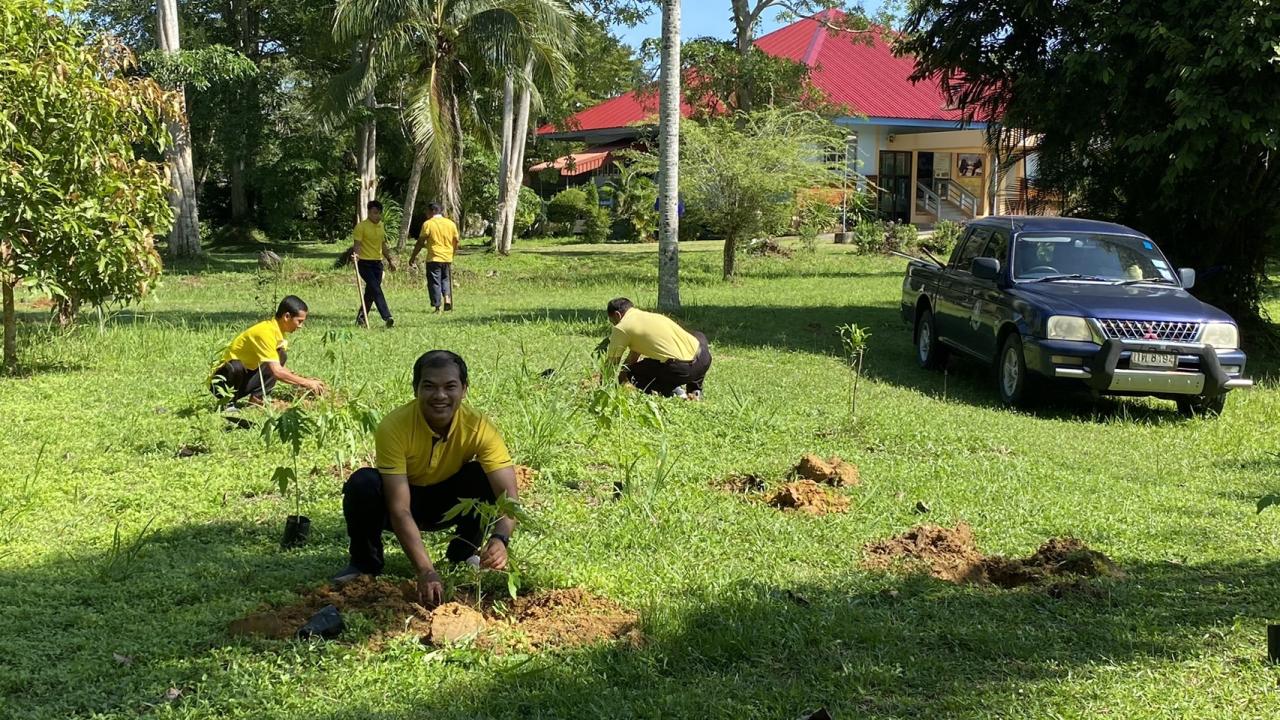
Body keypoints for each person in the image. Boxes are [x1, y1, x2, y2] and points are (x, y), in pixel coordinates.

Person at [334, 350, 518, 607]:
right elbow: (399, 508)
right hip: (403, 502)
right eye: (429, 386)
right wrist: (425, 570)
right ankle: (365, 563)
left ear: (464, 389)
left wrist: (500, 538)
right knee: (363, 483)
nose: (440, 396)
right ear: (415, 389)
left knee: (481, 475)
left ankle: (463, 553)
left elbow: (509, 498)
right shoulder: (394, 426)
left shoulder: (479, 427)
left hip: (450, 501)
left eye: (450, 386)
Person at [210, 295, 327, 407]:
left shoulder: (278, 333)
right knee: (236, 365)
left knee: (280, 356)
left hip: (243, 379)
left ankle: (257, 399)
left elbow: (277, 367)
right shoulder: (265, 332)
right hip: (221, 383)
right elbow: (277, 372)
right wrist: (306, 383)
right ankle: (228, 403)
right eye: (299, 321)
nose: (300, 326)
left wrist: (304, 380)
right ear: (287, 316)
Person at [604, 297, 712, 399]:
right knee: (696, 337)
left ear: (617, 315)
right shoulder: (649, 316)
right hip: (704, 359)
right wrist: (621, 380)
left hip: (682, 370)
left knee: (633, 373)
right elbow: (633, 357)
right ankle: (695, 391)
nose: (614, 325)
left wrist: (605, 386)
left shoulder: (622, 327)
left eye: (613, 321)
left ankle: (675, 393)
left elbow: (612, 363)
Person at [408, 202, 460, 313]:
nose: (426, 214)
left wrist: (413, 256)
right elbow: (456, 240)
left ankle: (437, 307)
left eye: (427, 211)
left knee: (434, 282)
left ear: (432, 211)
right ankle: (447, 299)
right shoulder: (450, 224)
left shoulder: (428, 224)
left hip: (434, 257)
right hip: (447, 257)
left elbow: (420, 241)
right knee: (445, 279)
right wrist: (452, 253)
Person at [352, 200, 397, 328]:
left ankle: (361, 319)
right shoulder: (361, 227)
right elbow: (357, 245)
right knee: (376, 289)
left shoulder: (381, 226)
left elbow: (383, 245)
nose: (376, 216)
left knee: (370, 292)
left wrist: (389, 260)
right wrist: (356, 256)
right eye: (374, 213)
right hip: (364, 263)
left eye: (378, 213)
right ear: (369, 212)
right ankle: (387, 316)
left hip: (377, 263)